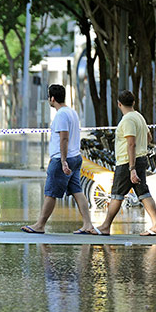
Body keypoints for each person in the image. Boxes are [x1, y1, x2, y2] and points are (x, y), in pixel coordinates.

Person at [21, 84, 95, 235]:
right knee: (77, 191)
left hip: (63, 159)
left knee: (51, 193)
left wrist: (62, 161)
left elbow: (64, 138)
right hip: (75, 157)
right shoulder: (72, 112)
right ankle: (88, 224)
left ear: (52, 98)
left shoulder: (61, 114)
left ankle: (40, 225)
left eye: (49, 97)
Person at [94, 90, 156, 236]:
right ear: (133, 102)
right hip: (139, 159)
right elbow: (148, 137)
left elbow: (131, 144)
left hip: (127, 162)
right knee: (143, 193)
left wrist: (131, 168)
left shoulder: (127, 120)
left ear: (119, 104)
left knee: (116, 195)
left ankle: (106, 226)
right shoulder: (139, 117)